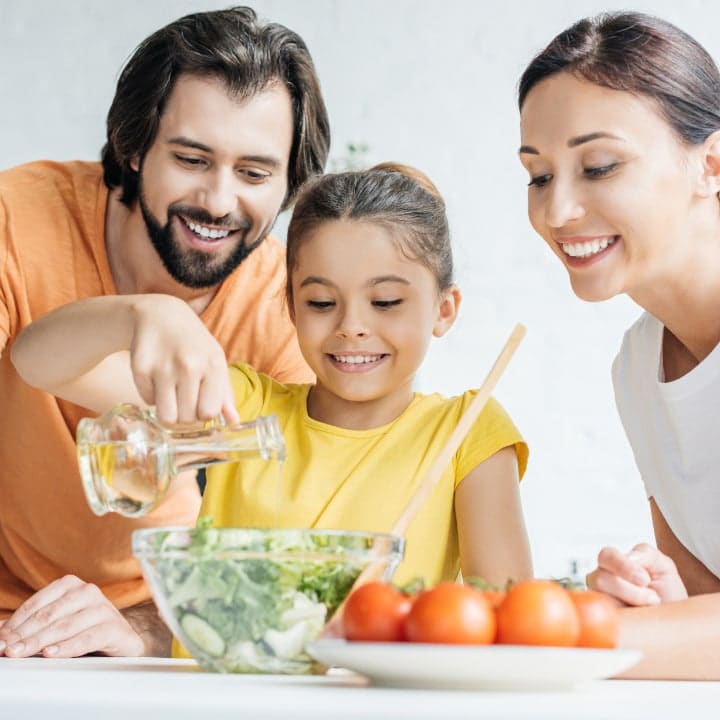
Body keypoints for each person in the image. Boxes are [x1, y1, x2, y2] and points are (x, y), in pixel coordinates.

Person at [12, 164, 533, 625]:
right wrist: (143, 312)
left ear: (444, 309)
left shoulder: (467, 434)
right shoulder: (240, 408)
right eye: (322, 301)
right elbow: (37, 359)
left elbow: (509, 622)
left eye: (386, 301)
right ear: (290, 305)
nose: (352, 326)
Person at [0, 6, 329, 658]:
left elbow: (296, 560)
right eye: (191, 158)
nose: (218, 199)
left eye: (255, 173)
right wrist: (148, 313)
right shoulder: (18, 220)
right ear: (133, 145)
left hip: (152, 639)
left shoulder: (286, 310)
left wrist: (149, 631)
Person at [518, 11, 720, 679]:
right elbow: (703, 609)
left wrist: (552, 636)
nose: (556, 212)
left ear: (711, 164)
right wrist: (654, 604)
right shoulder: (638, 368)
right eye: (539, 175)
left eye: (598, 166)